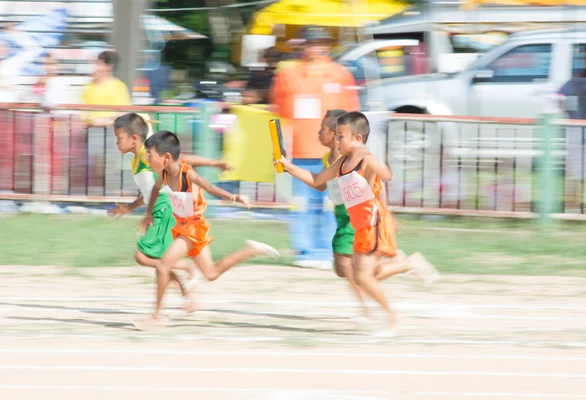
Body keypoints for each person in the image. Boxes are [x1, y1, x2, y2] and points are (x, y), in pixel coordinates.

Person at [277, 112, 438, 336]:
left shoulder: (366, 159)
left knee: (362, 276)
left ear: (358, 139)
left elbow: (386, 175)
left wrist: (379, 167)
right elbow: (317, 181)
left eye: (341, 136)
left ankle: (395, 319)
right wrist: (289, 167)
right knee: (362, 274)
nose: (337, 140)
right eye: (336, 135)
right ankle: (408, 264)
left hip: (374, 223)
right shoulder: (341, 163)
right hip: (361, 225)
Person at [134, 131, 280, 330]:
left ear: (166, 157)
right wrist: (148, 214)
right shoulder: (164, 174)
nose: (147, 160)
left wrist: (235, 197)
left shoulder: (187, 173)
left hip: (192, 228)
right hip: (185, 228)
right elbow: (154, 191)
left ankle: (156, 316)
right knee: (211, 273)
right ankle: (250, 250)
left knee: (162, 267)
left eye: (150, 156)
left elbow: (210, 187)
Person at [108, 113, 232, 312]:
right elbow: (150, 191)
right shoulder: (136, 161)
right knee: (157, 260)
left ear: (133, 138)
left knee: (146, 257)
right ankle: (188, 295)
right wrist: (131, 207)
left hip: (166, 211)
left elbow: (181, 160)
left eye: (118, 138)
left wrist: (214, 163)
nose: (116, 143)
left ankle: (185, 274)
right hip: (160, 211)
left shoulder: (145, 155)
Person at [269, 26, 360, 268]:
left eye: (321, 42)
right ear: (303, 45)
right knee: (302, 203)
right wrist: (279, 148)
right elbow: (278, 111)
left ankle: (329, 251)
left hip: (334, 154)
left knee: (333, 204)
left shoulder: (340, 74)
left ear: (328, 44)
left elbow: (352, 113)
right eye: (312, 42)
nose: (317, 47)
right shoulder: (288, 74)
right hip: (300, 150)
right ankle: (304, 251)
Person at [81, 50, 132, 127]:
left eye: (99, 64)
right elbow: (83, 109)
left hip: (111, 130)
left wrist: (105, 120)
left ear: (109, 67)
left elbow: (124, 112)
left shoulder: (119, 87)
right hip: (90, 130)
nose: (96, 67)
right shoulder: (90, 86)